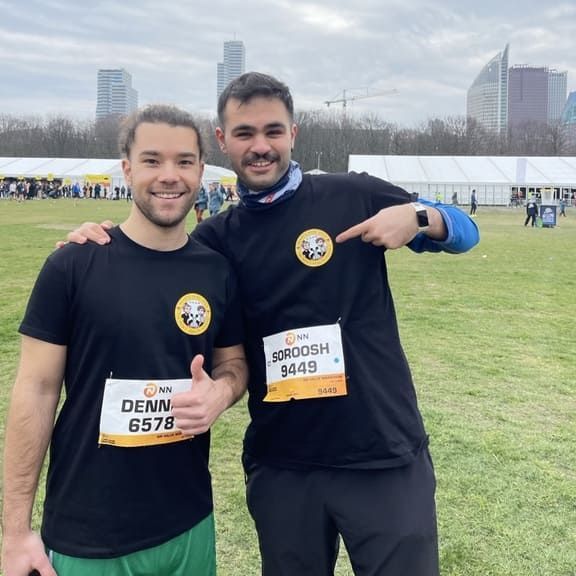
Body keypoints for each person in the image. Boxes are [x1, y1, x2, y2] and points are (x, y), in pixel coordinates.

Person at [56, 72, 479, 576]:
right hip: (283, 466)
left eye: (273, 131)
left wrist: (420, 216)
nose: (261, 146)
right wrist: (102, 237)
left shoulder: (353, 195)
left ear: (293, 134)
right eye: (244, 134)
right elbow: (156, 262)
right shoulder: (215, 240)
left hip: (383, 457)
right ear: (221, 141)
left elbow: (465, 233)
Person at [1, 104, 248, 576]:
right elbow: (34, 391)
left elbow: (233, 363)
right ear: (128, 168)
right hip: (87, 534)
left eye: (183, 161)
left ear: (201, 169)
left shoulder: (216, 270)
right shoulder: (74, 265)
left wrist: (221, 390)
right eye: (152, 161)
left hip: (188, 524)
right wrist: (14, 532)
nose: (169, 176)